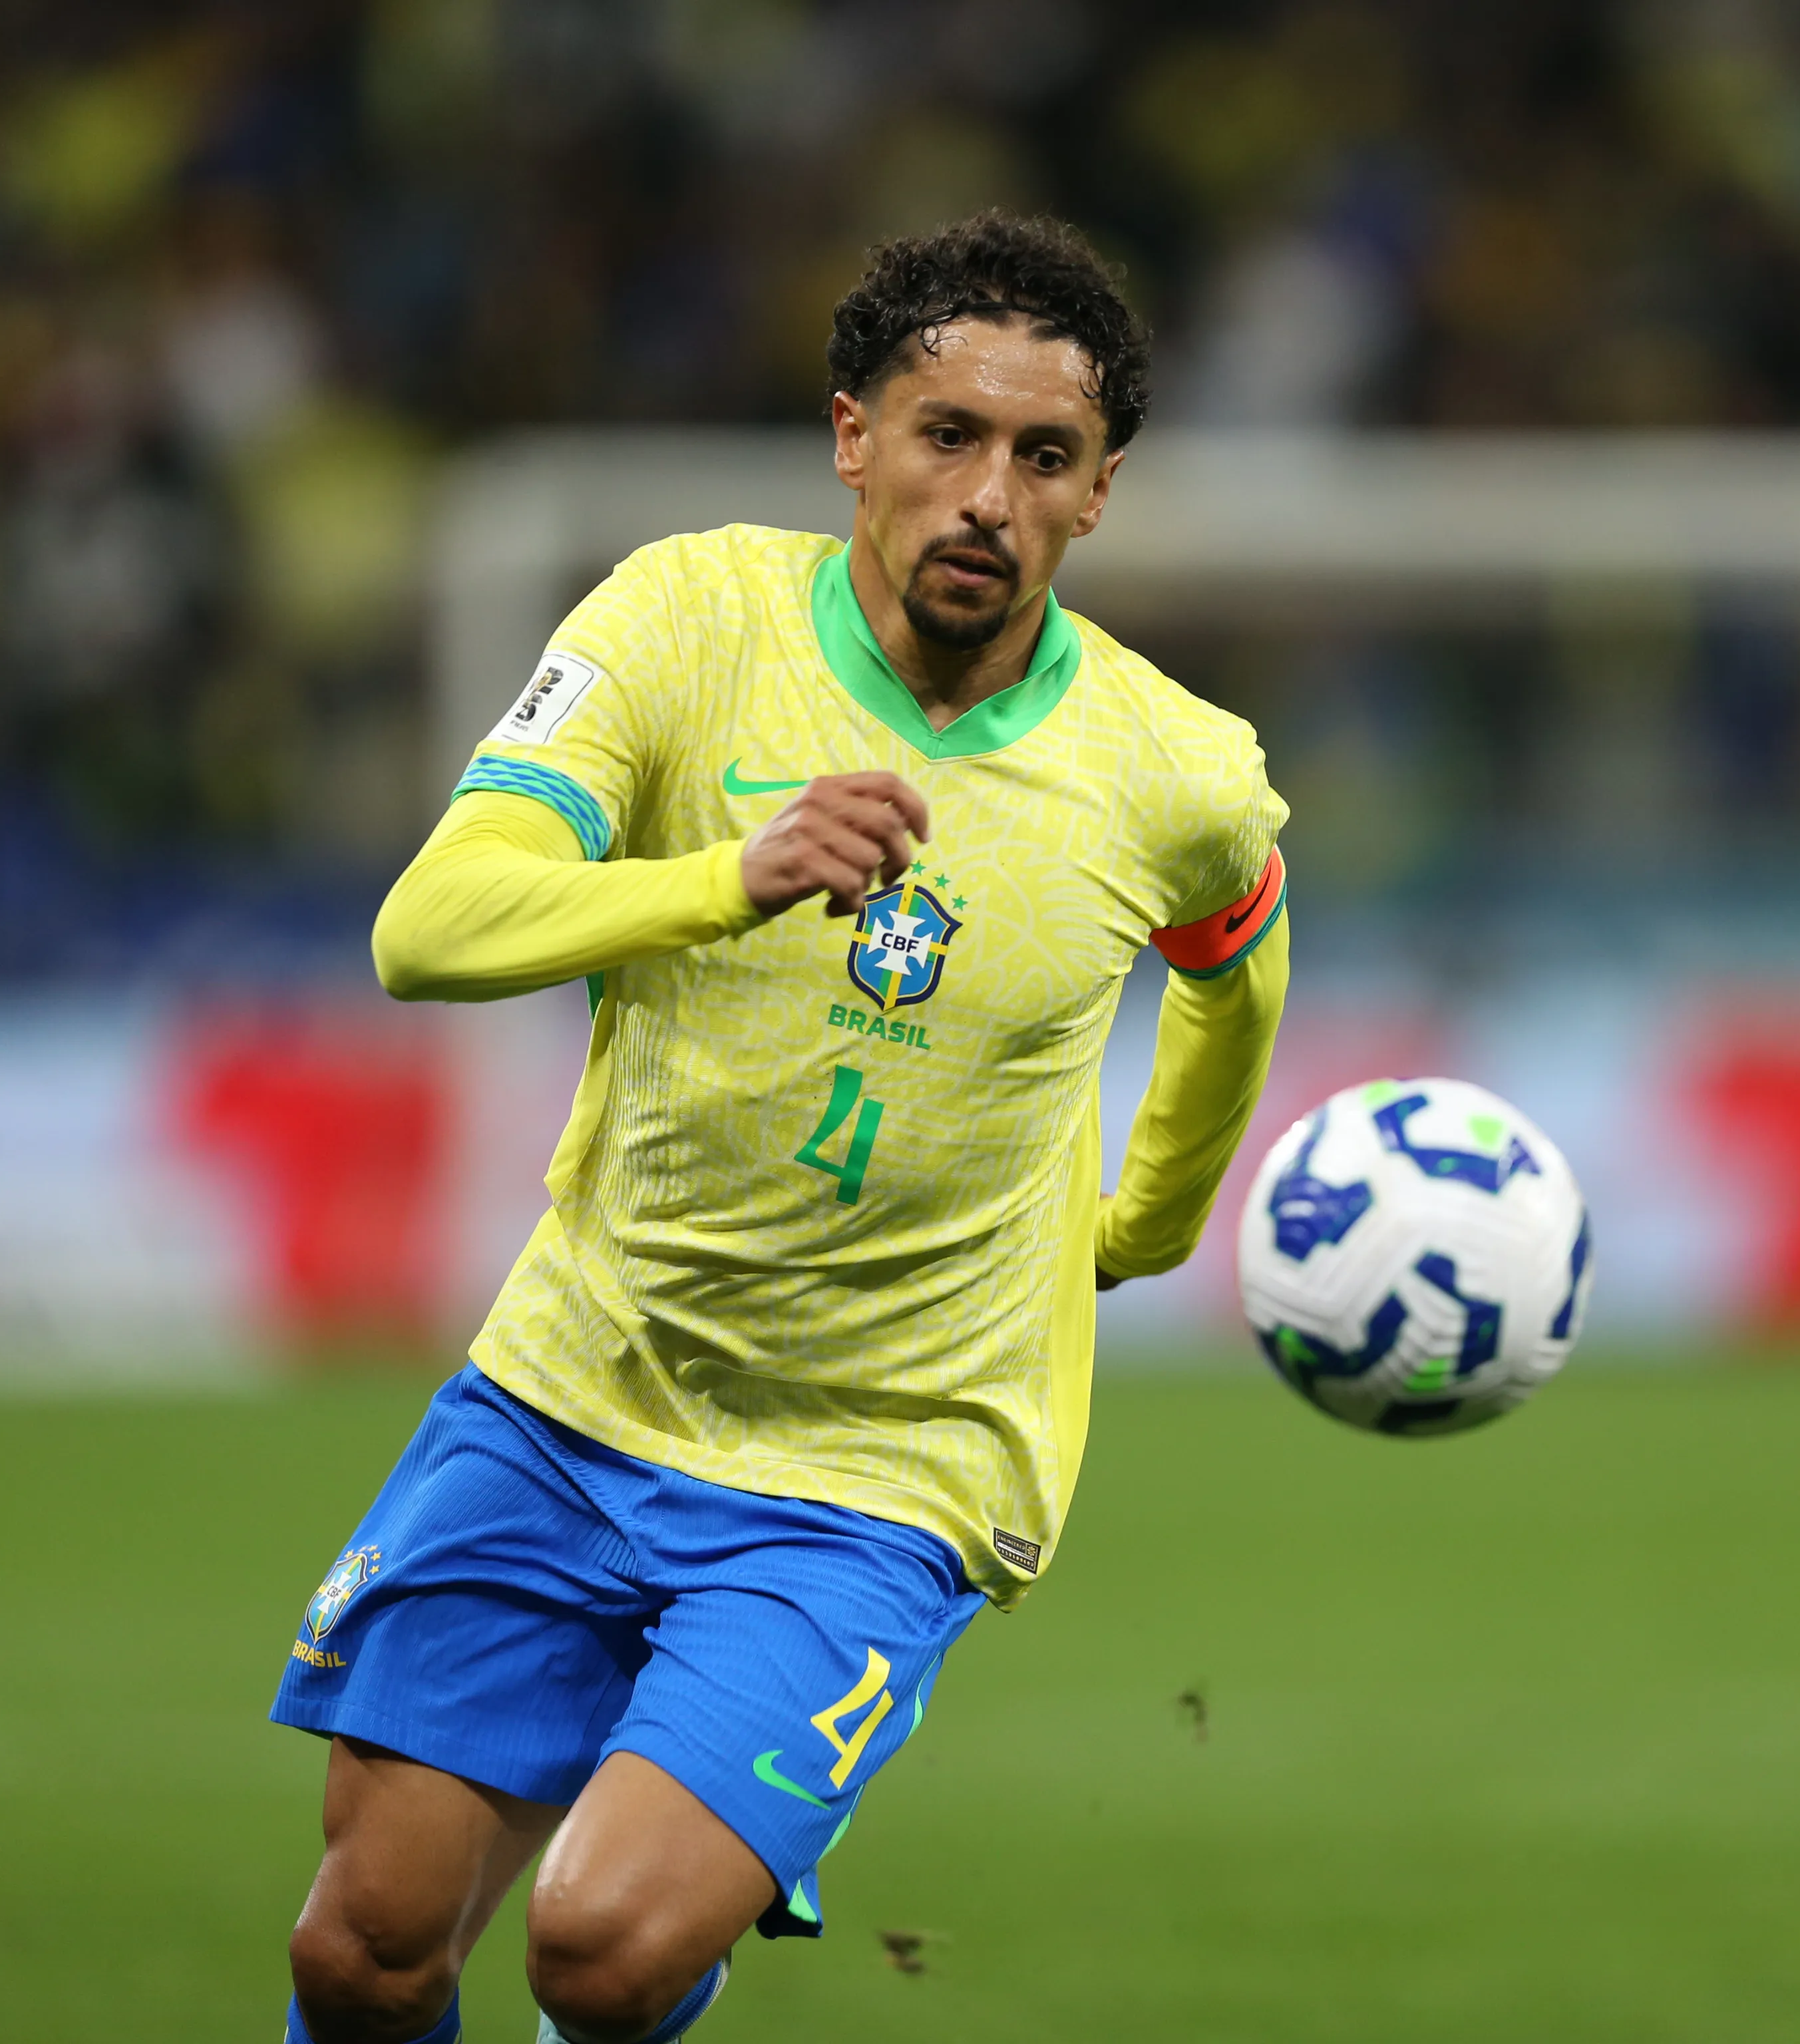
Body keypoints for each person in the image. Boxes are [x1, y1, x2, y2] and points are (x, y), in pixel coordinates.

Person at [272, 212, 1290, 2044]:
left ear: (1100, 496)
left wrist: (1148, 1216)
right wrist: (725, 878)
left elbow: (1243, 968)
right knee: (363, 1953)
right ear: (854, 441)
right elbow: (427, 930)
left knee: (599, 1950)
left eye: (1042, 458)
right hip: (575, 1387)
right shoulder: (684, 618)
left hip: (880, 1469)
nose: (988, 494)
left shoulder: (1176, 770)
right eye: (946, 436)